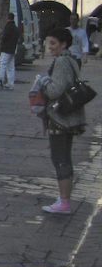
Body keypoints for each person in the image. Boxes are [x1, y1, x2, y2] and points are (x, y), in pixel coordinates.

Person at [37, 28, 87, 215]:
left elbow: (54, 90)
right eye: (48, 43)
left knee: (60, 159)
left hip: (60, 118)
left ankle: (64, 201)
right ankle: (64, 198)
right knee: (64, 157)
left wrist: (43, 82)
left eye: (53, 43)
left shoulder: (61, 62)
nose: (49, 48)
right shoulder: (72, 60)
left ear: (63, 44)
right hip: (71, 117)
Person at [0, 13, 20, 90]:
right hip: (12, 49)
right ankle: (10, 83)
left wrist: (0, 41)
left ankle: (0, 81)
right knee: (10, 67)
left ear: (8, 18)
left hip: (6, 49)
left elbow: (4, 37)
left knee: (1, 64)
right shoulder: (16, 28)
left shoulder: (8, 27)